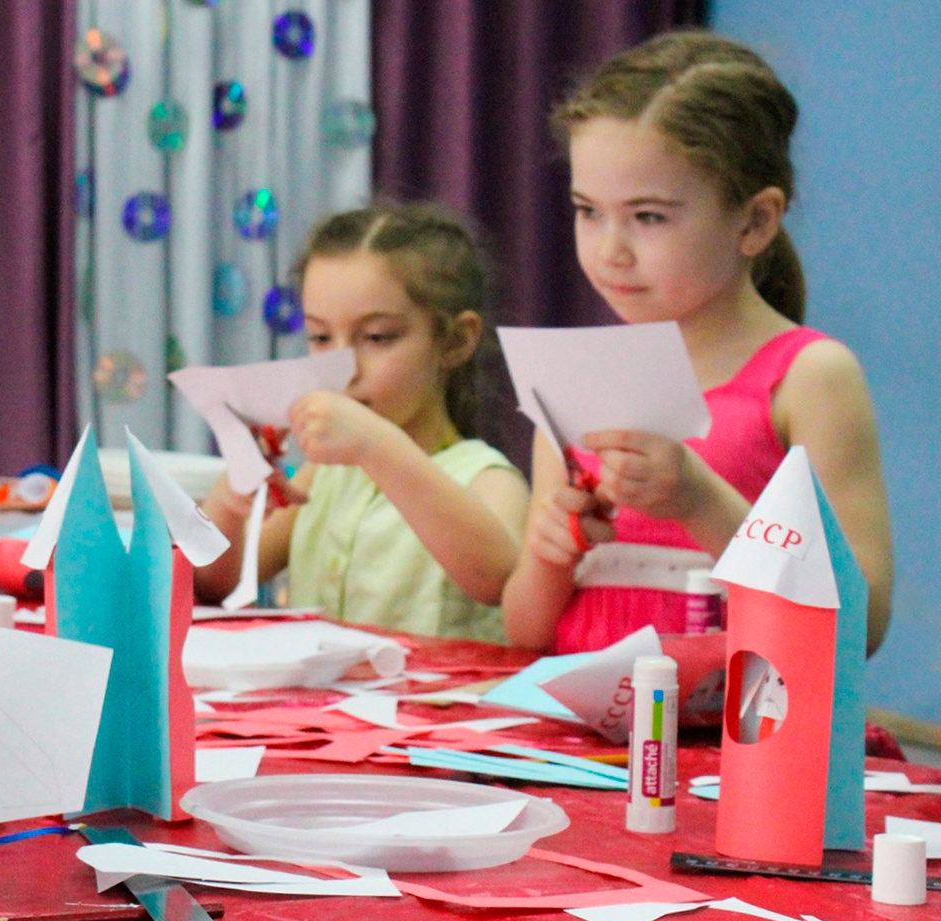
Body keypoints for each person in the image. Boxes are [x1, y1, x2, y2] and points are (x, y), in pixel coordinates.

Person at [501, 30, 894, 655]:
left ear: (755, 221)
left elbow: (858, 628)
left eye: (648, 216)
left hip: (738, 716)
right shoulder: (577, 375)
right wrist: (552, 556)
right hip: (579, 718)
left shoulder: (811, 377)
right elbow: (525, 632)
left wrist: (699, 499)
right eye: (588, 210)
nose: (610, 250)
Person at [194, 202, 529, 642]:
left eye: (376, 337)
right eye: (320, 337)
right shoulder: (323, 477)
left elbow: (498, 580)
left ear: (455, 341)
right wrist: (231, 502)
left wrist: (377, 446)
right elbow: (217, 584)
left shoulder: (487, 477)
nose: (344, 368)